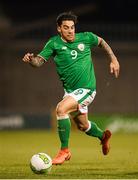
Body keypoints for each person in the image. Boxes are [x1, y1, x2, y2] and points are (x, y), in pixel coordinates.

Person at [22, 11, 120, 165]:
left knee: (61, 109)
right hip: (71, 91)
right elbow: (38, 62)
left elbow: (101, 42)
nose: (70, 31)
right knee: (83, 126)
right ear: (59, 29)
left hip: (87, 89)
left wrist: (113, 59)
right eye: (66, 28)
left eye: (72, 27)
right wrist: (30, 60)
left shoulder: (86, 37)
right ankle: (103, 136)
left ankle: (64, 151)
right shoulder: (54, 43)